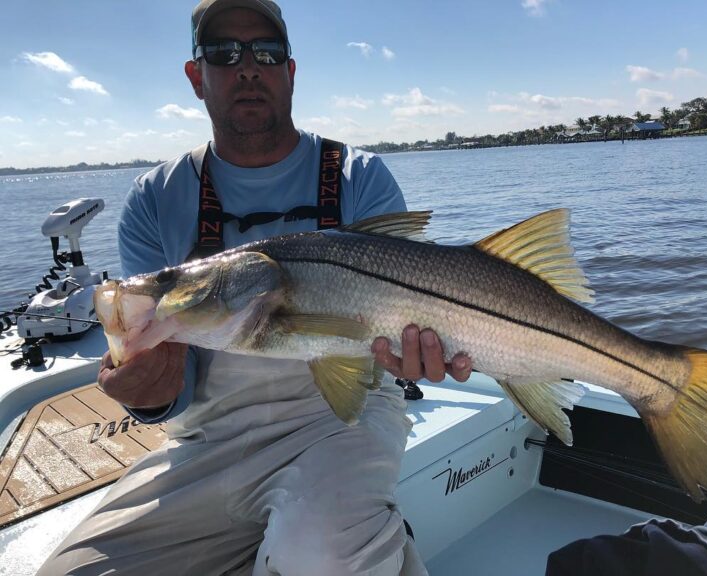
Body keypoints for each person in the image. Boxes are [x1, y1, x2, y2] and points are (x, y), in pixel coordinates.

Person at [37, 1, 471, 574]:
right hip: (209, 439)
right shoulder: (154, 198)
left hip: (344, 422)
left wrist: (419, 357)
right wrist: (150, 393)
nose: (247, 67)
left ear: (290, 71)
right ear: (196, 76)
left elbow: (391, 345)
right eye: (224, 53)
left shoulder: (359, 176)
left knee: (323, 554)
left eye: (265, 52)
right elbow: (176, 386)